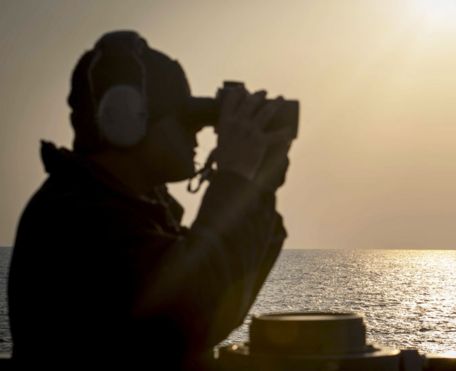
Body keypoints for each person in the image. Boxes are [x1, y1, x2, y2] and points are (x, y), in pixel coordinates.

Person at [7, 30, 294, 370]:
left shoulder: (129, 209)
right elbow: (190, 316)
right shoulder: (76, 216)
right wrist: (235, 179)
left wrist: (258, 186)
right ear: (126, 120)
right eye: (186, 118)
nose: (198, 132)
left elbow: (228, 294)